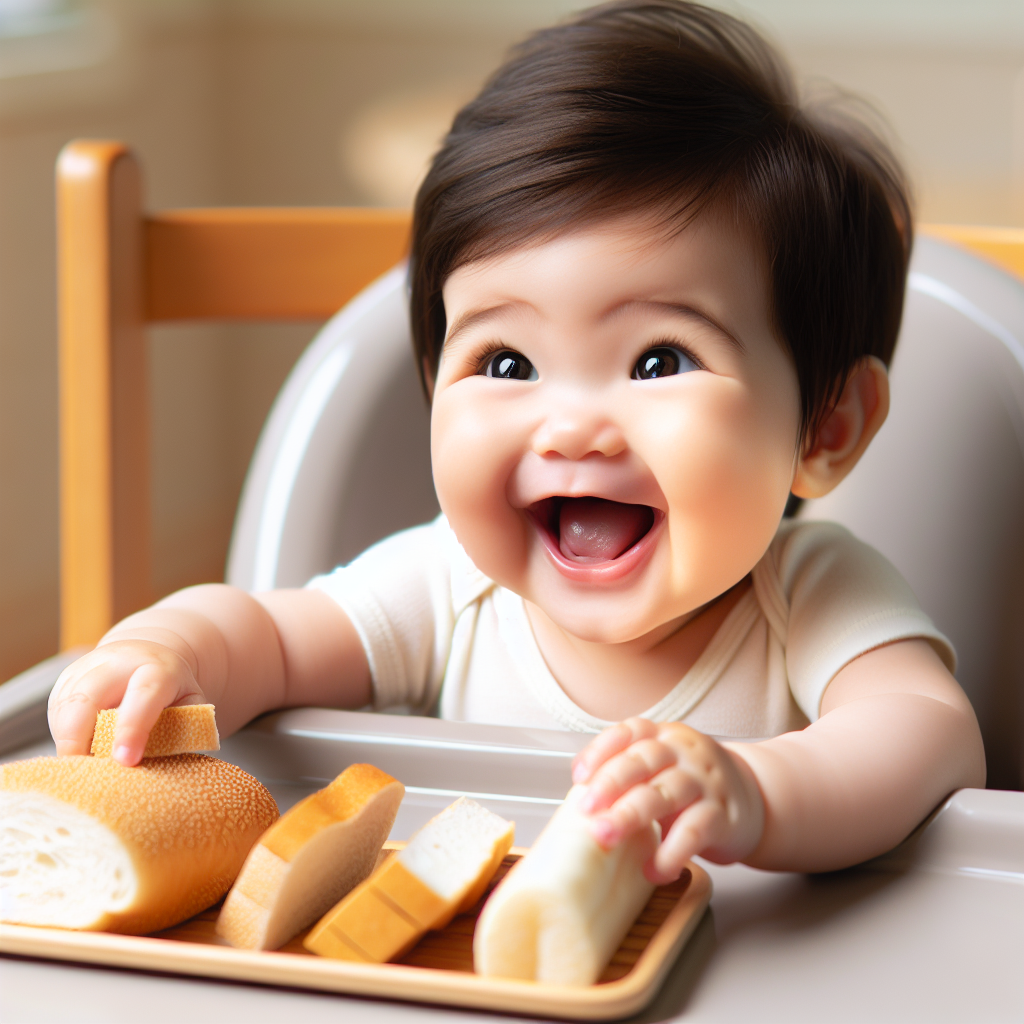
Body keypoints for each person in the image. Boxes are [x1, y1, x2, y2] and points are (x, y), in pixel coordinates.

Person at [49, 0, 985, 882]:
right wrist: (167, 648)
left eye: (660, 360)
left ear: (826, 425)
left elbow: (926, 732)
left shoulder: (810, 595)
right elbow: (269, 638)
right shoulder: (447, 588)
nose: (569, 423)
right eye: (505, 362)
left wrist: (759, 794)